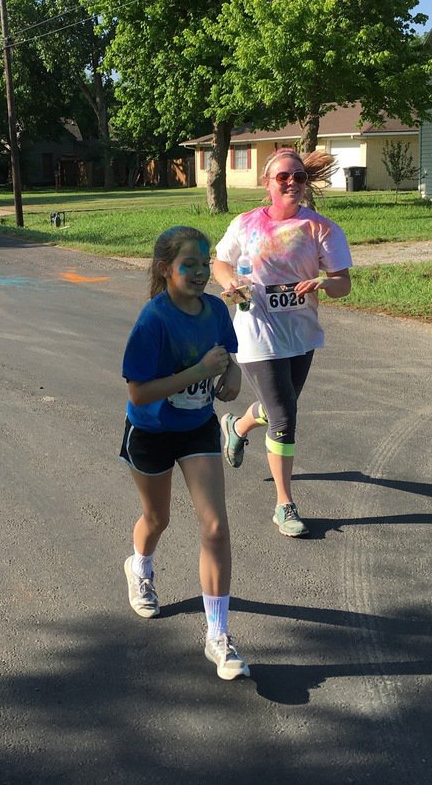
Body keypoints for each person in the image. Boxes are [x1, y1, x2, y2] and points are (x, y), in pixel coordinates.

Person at [120, 225, 250, 681]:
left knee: (215, 526)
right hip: (152, 431)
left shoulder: (215, 310)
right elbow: (138, 394)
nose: (199, 272)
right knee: (157, 519)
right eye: (188, 264)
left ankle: (218, 635)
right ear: (165, 269)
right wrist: (198, 369)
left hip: (197, 428)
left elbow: (227, 358)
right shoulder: (153, 320)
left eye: (204, 262)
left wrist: (231, 375)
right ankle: (140, 565)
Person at [212, 147, 353, 538]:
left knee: (281, 407)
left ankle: (237, 427)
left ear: (306, 183)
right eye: (283, 177)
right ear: (267, 183)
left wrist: (323, 282)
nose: (291, 182)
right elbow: (220, 261)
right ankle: (284, 504)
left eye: (299, 177)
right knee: (286, 418)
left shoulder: (320, 228)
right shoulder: (245, 224)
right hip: (256, 331)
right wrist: (230, 282)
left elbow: (343, 284)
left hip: (300, 333)